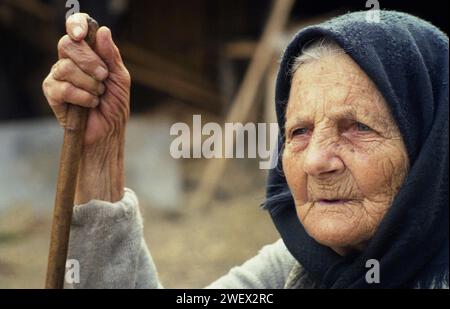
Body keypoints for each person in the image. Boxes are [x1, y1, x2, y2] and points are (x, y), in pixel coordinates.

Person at [42, 10, 449, 288]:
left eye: (357, 127)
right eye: (299, 131)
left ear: (432, 147)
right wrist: (100, 157)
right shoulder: (295, 268)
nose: (315, 161)